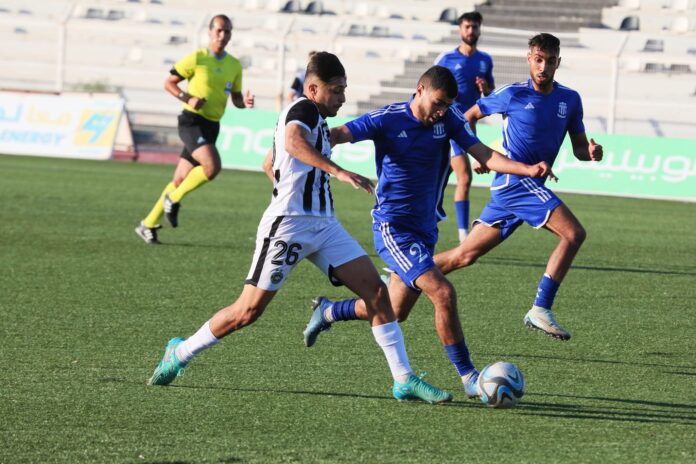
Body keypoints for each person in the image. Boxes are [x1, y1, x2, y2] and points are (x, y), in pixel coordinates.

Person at [147, 52, 453, 405]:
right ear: (313, 89)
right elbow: (293, 142)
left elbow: (269, 161)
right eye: (336, 90)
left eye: (344, 89)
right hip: (289, 226)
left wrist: (289, 182)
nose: (342, 97)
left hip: (324, 226)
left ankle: (404, 379)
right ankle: (180, 352)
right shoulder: (304, 110)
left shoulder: (318, 119)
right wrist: (335, 172)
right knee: (248, 312)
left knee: (377, 293)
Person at [302, 65, 554, 398]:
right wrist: (302, 149)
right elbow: (337, 134)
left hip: (425, 232)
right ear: (419, 90)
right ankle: (469, 378)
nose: (440, 112)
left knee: (394, 311)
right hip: (394, 229)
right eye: (437, 103)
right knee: (444, 293)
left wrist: (527, 169)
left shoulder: (448, 119)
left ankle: (329, 310)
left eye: (446, 105)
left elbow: (483, 154)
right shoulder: (387, 119)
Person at [434, 33, 603, 340]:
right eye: (538, 60)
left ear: (558, 63)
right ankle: (540, 308)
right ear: (529, 59)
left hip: (519, 189)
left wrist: (590, 154)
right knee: (574, 233)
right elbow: (467, 115)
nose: (543, 67)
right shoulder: (512, 94)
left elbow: (579, 147)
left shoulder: (570, 99)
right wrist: (478, 153)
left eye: (550, 61)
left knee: (463, 256)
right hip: (516, 183)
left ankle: (405, 274)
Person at [135, 14, 255, 244]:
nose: (223, 35)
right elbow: (169, 82)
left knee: (180, 179)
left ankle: (147, 224)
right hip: (192, 122)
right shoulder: (197, 58)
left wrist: (245, 103)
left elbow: (237, 99)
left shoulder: (234, 65)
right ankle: (174, 199)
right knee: (212, 167)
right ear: (210, 31)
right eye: (219, 30)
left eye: (227, 31)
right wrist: (186, 97)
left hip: (212, 125)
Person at [434, 11, 494, 242]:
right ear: (460, 29)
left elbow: (489, 95)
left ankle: (434, 214)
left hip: (469, 126)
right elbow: (430, 85)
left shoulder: (485, 60)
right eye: (467, 27)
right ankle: (463, 236)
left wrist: (486, 88)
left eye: (475, 27)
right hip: (450, 127)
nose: (471, 31)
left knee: (442, 177)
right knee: (465, 177)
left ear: (479, 30)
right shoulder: (447, 59)